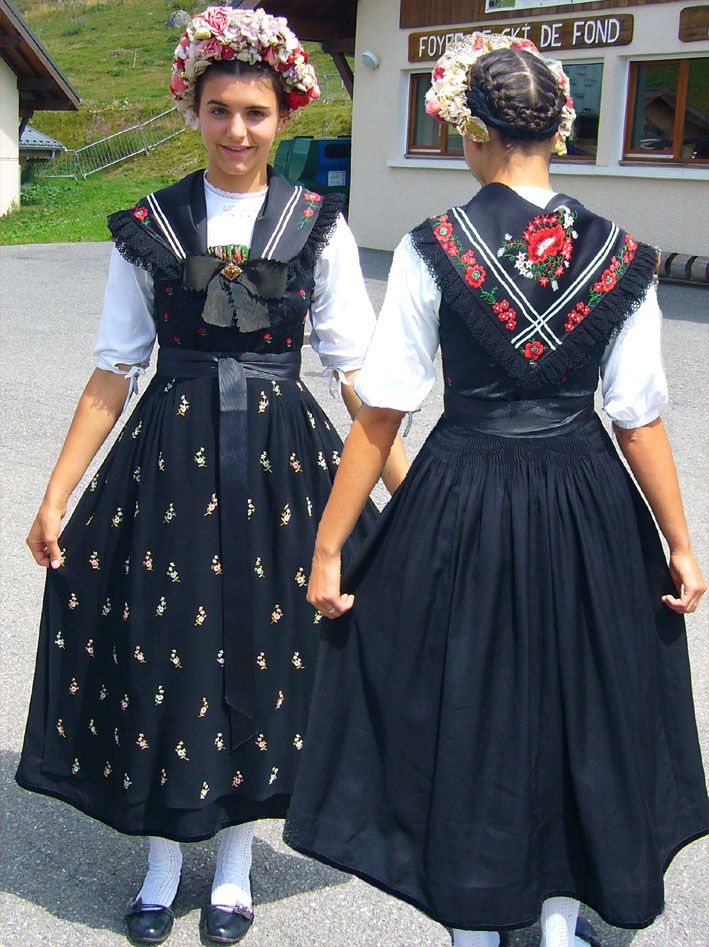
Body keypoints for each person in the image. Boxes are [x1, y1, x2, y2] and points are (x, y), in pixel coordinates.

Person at [283, 34, 709, 947]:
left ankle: (474, 927)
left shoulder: (433, 245)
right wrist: (679, 540)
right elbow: (636, 419)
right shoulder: (622, 254)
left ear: (469, 135)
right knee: (574, 705)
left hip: (462, 495)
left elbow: (380, 414)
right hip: (585, 498)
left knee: (463, 703)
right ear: (563, 126)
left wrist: (328, 546)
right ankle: (555, 922)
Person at [16, 7, 406, 945]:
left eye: (257, 113)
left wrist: (411, 490)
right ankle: (161, 859)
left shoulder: (319, 223)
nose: (238, 131)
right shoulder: (149, 224)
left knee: (263, 654)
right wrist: (57, 489)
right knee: (165, 646)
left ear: (285, 118)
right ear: (192, 109)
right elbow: (116, 368)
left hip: (283, 469)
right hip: (169, 468)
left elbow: (358, 376)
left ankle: (232, 867)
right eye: (220, 109)